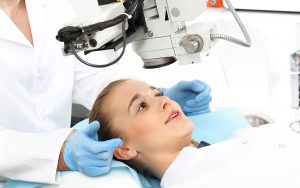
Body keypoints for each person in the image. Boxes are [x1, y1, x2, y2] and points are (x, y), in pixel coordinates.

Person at [0, 0, 212, 185]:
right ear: (124, 150)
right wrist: (60, 155)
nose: (163, 101)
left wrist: (154, 96)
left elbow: (88, 76)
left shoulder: (53, 5)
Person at [89, 78, 300, 188]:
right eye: (142, 106)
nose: (164, 101)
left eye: (158, 93)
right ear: (124, 149)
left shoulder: (238, 137)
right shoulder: (195, 183)